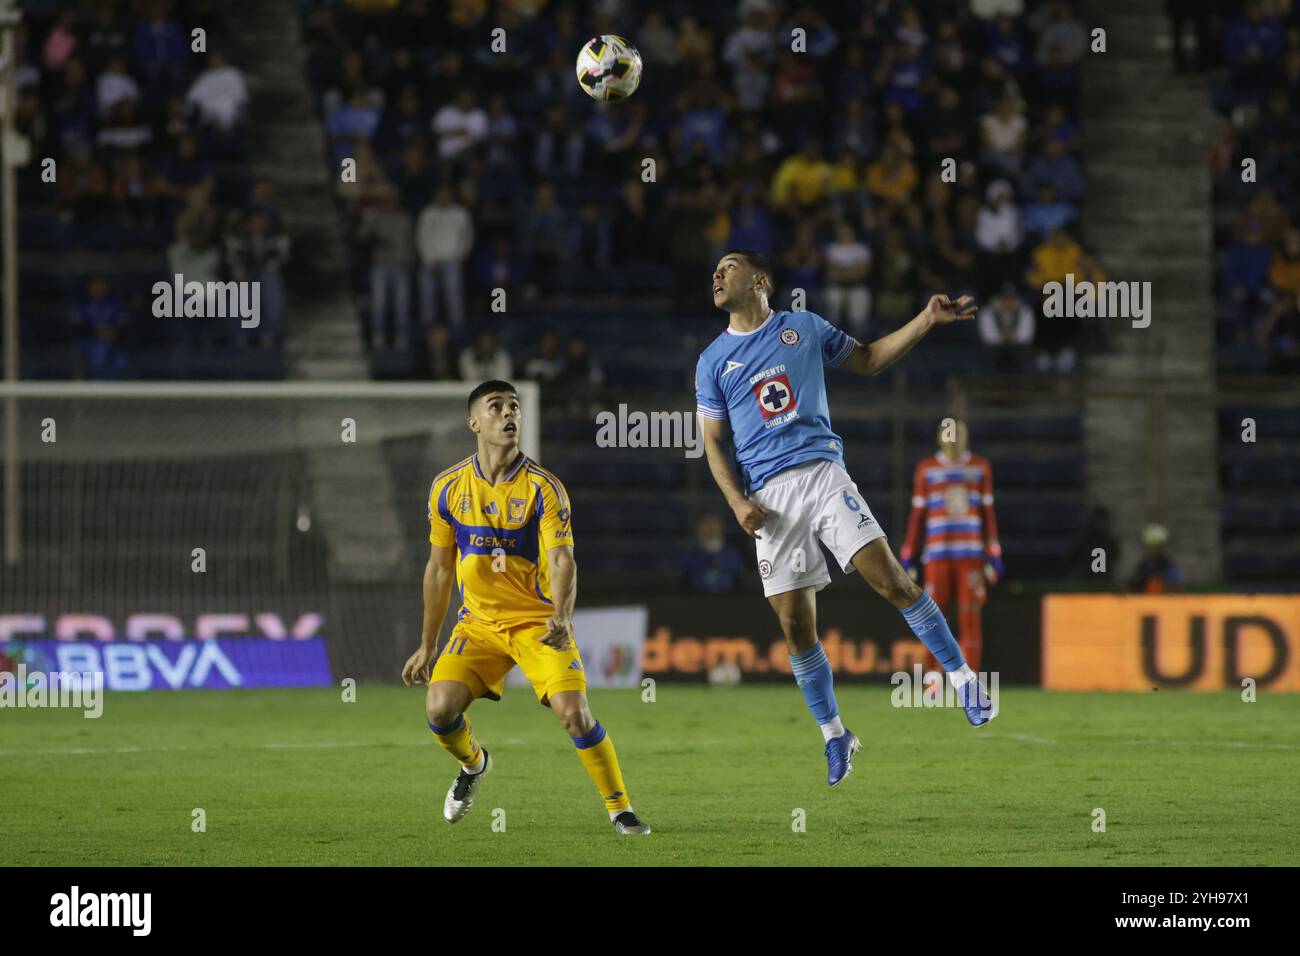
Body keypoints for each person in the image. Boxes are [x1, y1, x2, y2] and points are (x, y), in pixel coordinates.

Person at [696, 251, 995, 790]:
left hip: (822, 474)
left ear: (760, 281)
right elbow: (713, 443)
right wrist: (737, 502)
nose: (718, 274)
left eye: (730, 266)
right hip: (768, 497)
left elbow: (871, 358)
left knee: (893, 582)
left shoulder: (803, 328)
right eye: (715, 269)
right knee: (795, 626)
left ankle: (964, 680)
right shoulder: (712, 360)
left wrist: (926, 319)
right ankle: (835, 734)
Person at [401, 381, 650, 836]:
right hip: (478, 624)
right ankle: (474, 765)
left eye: (514, 406)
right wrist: (427, 645)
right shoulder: (447, 488)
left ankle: (620, 809)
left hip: (538, 623)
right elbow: (438, 570)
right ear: (474, 423)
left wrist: (563, 614)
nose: (508, 413)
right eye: (496, 407)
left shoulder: (544, 488)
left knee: (574, 713)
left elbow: (561, 559)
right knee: (438, 709)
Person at [898, 420, 1003, 673]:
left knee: (970, 618)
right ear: (939, 438)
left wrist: (994, 554)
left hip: (970, 556)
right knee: (933, 620)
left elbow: (988, 514)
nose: (953, 440)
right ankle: (933, 678)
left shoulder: (980, 468)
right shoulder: (927, 469)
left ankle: (971, 682)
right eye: (948, 435)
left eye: (958, 435)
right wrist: (908, 554)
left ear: (966, 437)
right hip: (937, 556)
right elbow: (917, 516)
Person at [681, 514, 745, 594]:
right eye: (707, 526)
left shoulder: (732, 555)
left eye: (714, 527)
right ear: (699, 530)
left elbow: (738, 581)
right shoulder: (691, 555)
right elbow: (684, 582)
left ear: (721, 528)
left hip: (728, 601)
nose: (711, 530)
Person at [1129, 523, 1182, 593]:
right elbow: (1132, 590)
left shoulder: (1169, 567)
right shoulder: (1142, 566)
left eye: (1156, 547)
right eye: (1149, 546)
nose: (1152, 550)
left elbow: (1176, 591)